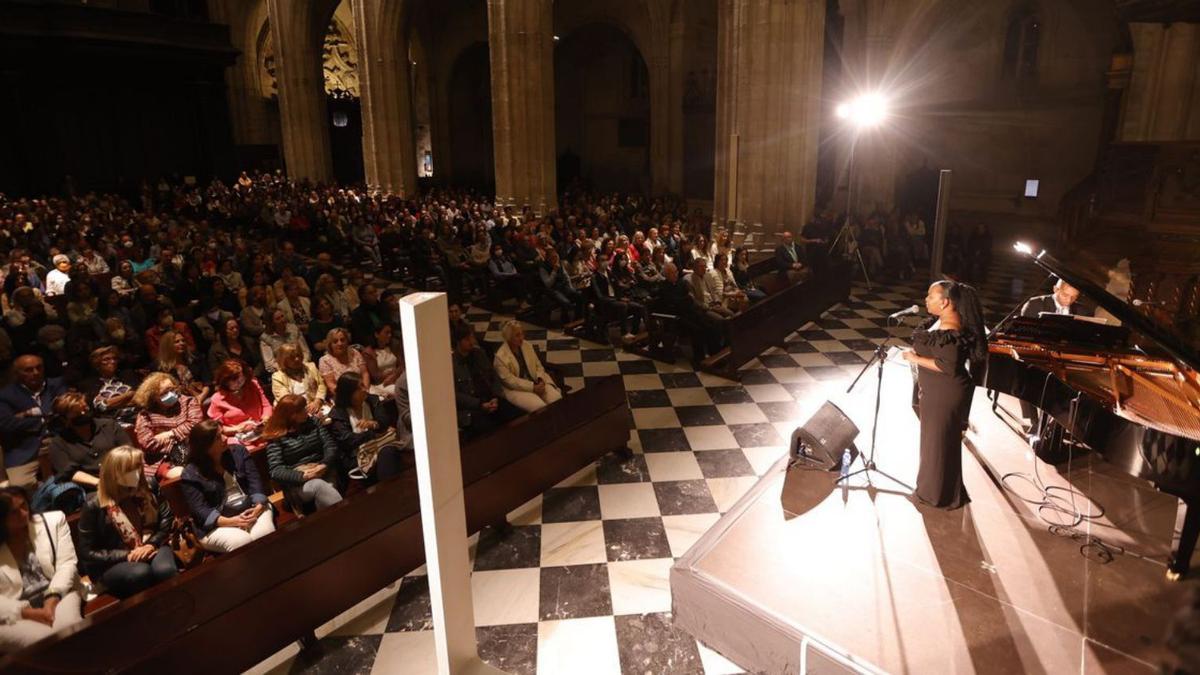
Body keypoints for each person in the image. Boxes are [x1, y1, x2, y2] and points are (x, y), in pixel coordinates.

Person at [901, 281, 973, 510]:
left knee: (937, 444)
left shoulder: (949, 328)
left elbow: (947, 366)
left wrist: (914, 358)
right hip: (937, 392)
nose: (926, 300)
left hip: (944, 394)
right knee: (936, 442)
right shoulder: (942, 322)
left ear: (945, 302)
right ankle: (943, 490)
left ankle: (935, 495)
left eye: (930, 296)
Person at [76, 446, 178, 599]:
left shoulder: (148, 486)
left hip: (150, 544)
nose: (137, 472)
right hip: (113, 562)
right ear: (115, 473)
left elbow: (166, 518)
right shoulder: (94, 505)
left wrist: (152, 544)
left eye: (139, 466)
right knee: (140, 573)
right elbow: (88, 552)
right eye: (131, 469)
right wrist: (127, 555)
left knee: (165, 569)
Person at [0, 486, 85, 652]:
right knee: (43, 643)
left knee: (69, 629)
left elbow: (67, 564)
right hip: (14, 610)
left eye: (24, 505)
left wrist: (51, 598)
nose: (24, 514)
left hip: (59, 593)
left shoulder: (53, 521)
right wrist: (26, 612)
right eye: (14, 512)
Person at [179, 420, 275, 553]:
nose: (225, 438)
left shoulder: (239, 452)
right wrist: (233, 521)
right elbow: (200, 510)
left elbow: (255, 483)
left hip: (252, 508)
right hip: (218, 524)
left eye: (223, 433)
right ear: (205, 446)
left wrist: (258, 507)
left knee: (264, 535)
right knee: (242, 542)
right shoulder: (191, 473)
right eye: (218, 437)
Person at [262, 395, 342, 512]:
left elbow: (330, 445)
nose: (307, 411)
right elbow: (276, 470)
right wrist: (303, 476)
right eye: (303, 410)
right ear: (292, 415)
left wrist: (324, 464)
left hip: (322, 469)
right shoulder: (276, 435)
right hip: (298, 480)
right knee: (321, 487)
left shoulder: (313, 422)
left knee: (328, 489)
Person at [0, 355, 67, 488]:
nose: (35, 373)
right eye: (28, 370)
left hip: (60, 441)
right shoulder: (5, 395)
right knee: (19, 485)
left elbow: (64, 409)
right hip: (25, 448)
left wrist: (28, 414)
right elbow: (6, 424)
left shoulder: (56, 384)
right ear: (17, 373)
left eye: (39, 368)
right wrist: (43, 419)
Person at [47, 393, 132, 497]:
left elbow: (128, 453)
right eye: (78, 413)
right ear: (64, 419)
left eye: (85, 409)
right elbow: (69, 473)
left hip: (123, 476)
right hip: (91, 487)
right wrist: (101, 484)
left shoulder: (109, 425)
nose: (84, 413)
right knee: (96, 501)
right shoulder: (58, 443)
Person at [328, 373, 408, 482]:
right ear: (349, 393)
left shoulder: (372, 400)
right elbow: (347, 439)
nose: (365, 389)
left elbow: (384, 420)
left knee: (388, 452)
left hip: (380, 446)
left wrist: (373, 424)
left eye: (363, 385)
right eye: (360, 387)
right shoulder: (338, 413)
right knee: (387, 455)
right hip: (357, 455)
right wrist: (374, 434)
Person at [451, 322, 518, 439]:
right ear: (458, 342)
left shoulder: (479, 353)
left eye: (472, 337)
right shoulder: (452, 364)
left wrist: (496, 396)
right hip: (473, 408)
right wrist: (480, 404)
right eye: (467, 339)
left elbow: (493, 376)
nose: (472, 342)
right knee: (491, 432)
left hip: (491, 399)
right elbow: (456, 395)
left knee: (516, 416)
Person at [132, 373, 203, 480]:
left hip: (194, 451)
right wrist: (181, 435)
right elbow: (147, 443)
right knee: (185, 475)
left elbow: (195, 424)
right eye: (164, 393)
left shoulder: (188, 401)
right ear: (153, 397)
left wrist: (169, 434)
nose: (171, 394)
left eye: (172, 389)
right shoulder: (145, 415)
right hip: (162, 460)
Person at [493, 321, 562, 412]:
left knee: (556, 399)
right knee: (539, 407)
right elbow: (510, 381)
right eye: (517, 335)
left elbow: (538, 365)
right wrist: (532, 387)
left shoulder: (527, 346)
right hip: (516, 389)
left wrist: (540, 379)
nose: (522, 338)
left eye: (522, 334)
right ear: (508, 338)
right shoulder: (500, 357)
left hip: (536, 381)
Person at [206, 360, 272, 443]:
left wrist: (265, 418)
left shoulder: (253, 385)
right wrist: (238, 428)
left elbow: (266, 405)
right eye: (235, 380)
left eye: (242, 378)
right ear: (225, 381)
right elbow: (218, 428)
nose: (240, 382)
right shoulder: (217, 399)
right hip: (237, 439)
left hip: (261, 432)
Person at [79, 346, 140, 424]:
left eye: (114, 358)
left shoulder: (127, 375)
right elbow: (101, 407)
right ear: (97, 363)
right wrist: (128, 395)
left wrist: (110, 403)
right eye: (106, 359)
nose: (113, 361)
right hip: (115, 423)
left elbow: (141, 397)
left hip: (138, 414)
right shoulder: (89, 384)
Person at [270, 343, 327, 415]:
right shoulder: (277, 377)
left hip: (316, 406)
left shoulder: (311, 367)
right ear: (284, 360)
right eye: (292, 357)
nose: (297, 359)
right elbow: (286, 399)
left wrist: (318, 401)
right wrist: (304, 410)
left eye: (298, 355)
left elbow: (321, 385)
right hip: (294, 413)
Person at [318, 327, 369, 395]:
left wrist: (365, 389)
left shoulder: (354, 352)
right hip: (342, 396)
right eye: (335, 341)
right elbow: (331, 385)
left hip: (363, 390)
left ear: (347, 341)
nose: (340, 343)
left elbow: (364, 373)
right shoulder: (324, 360)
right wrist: (352, 396)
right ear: (330, 344)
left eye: (342, 340)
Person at [259, 308, 310, 374]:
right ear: (271, 323)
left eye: (282, 316)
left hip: (301, 365)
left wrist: (301, 363)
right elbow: (270, 364)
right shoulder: (265, 339)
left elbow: (306, 351)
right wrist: (288, 369)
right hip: (283, 371)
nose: (283, 320)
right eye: (278, 319)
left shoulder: (293, 329)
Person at [363, 323, 401, 399]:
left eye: (390, 333)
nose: (390, 335)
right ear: (377, 334)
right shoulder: (369, 352)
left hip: (396, 378)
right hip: (381, 384)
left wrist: (394, 376)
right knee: (399, 390)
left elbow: (401, 365)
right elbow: (376, 377)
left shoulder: (393, 347)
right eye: (387, 333)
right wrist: (394, 373)